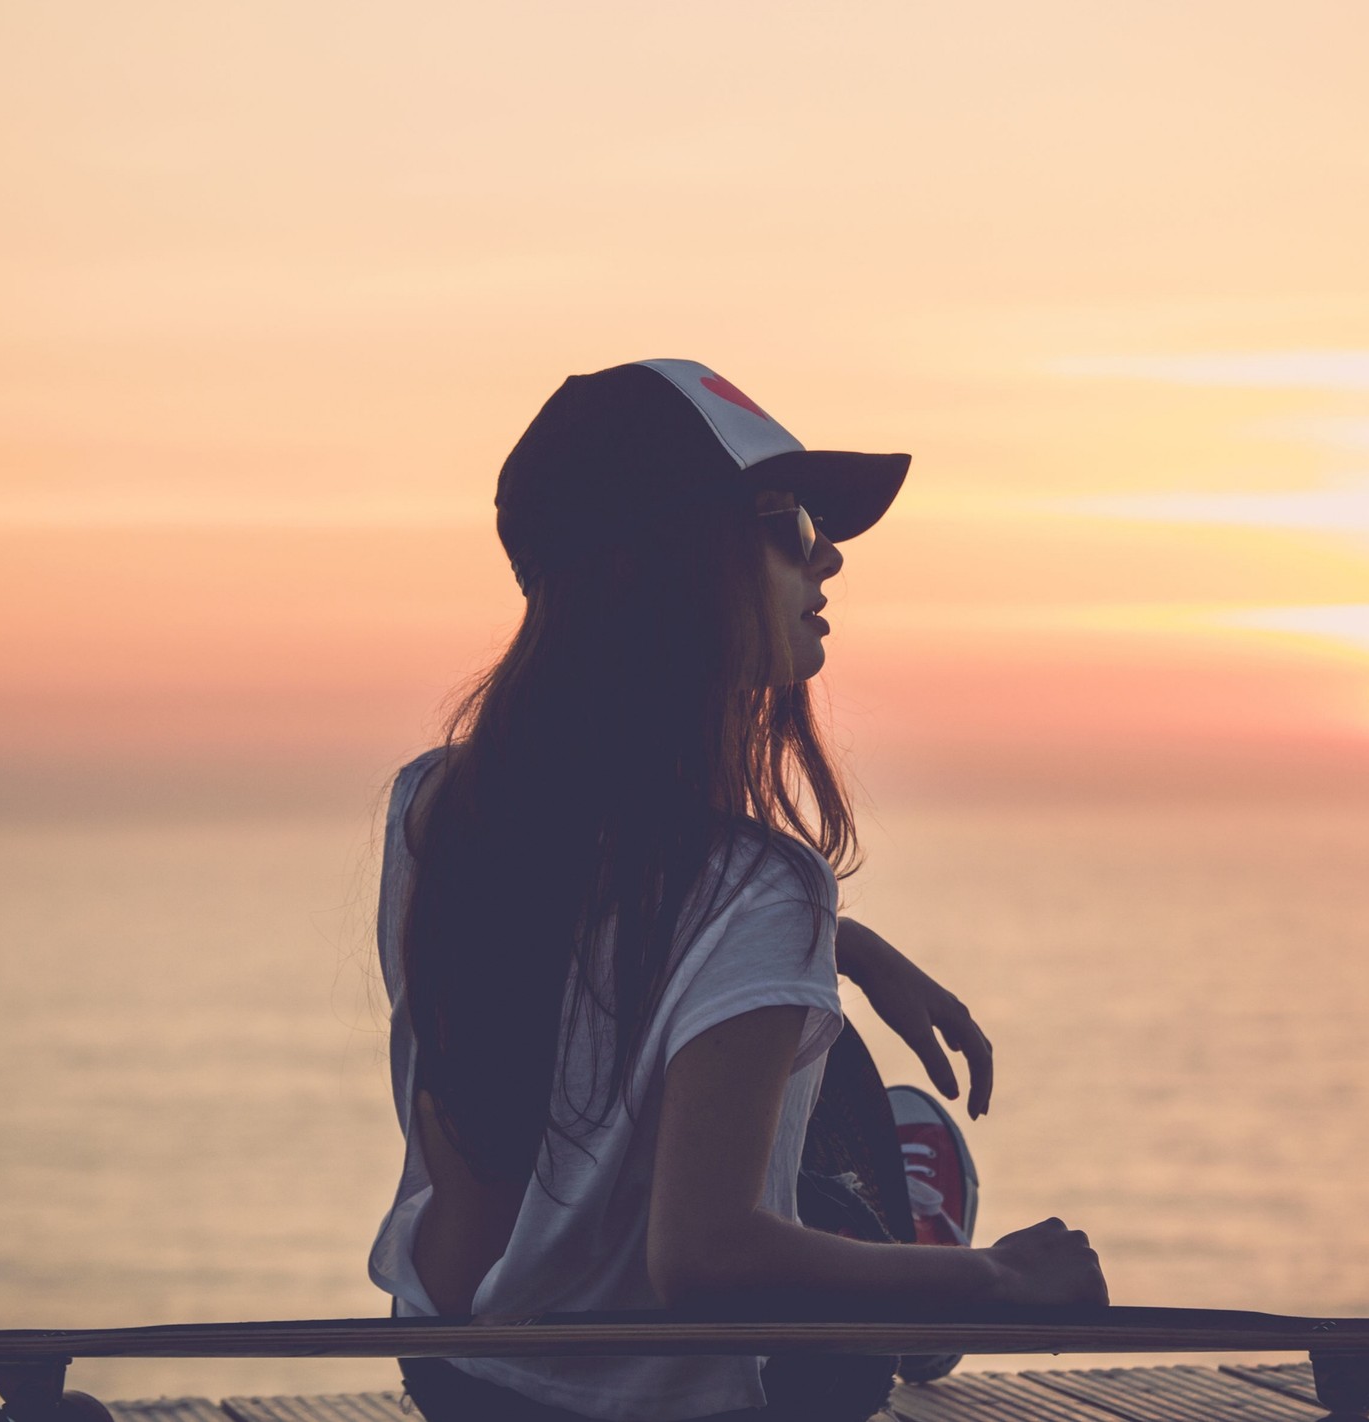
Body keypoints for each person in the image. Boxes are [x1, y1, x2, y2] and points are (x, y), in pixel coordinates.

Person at [367, 360, 1107, 1422]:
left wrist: (849, 948)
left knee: (762, 1025)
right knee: (817, 1148)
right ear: (673, 561)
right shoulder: (764, 889)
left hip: (457, 1378)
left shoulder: (435, 808)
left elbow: (601, 921)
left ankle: (875, 1215)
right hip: (680, 1402)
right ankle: (907, 1246)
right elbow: (707, 1257)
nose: (831, 557)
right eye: (792, 522)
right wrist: (1001, 1282)